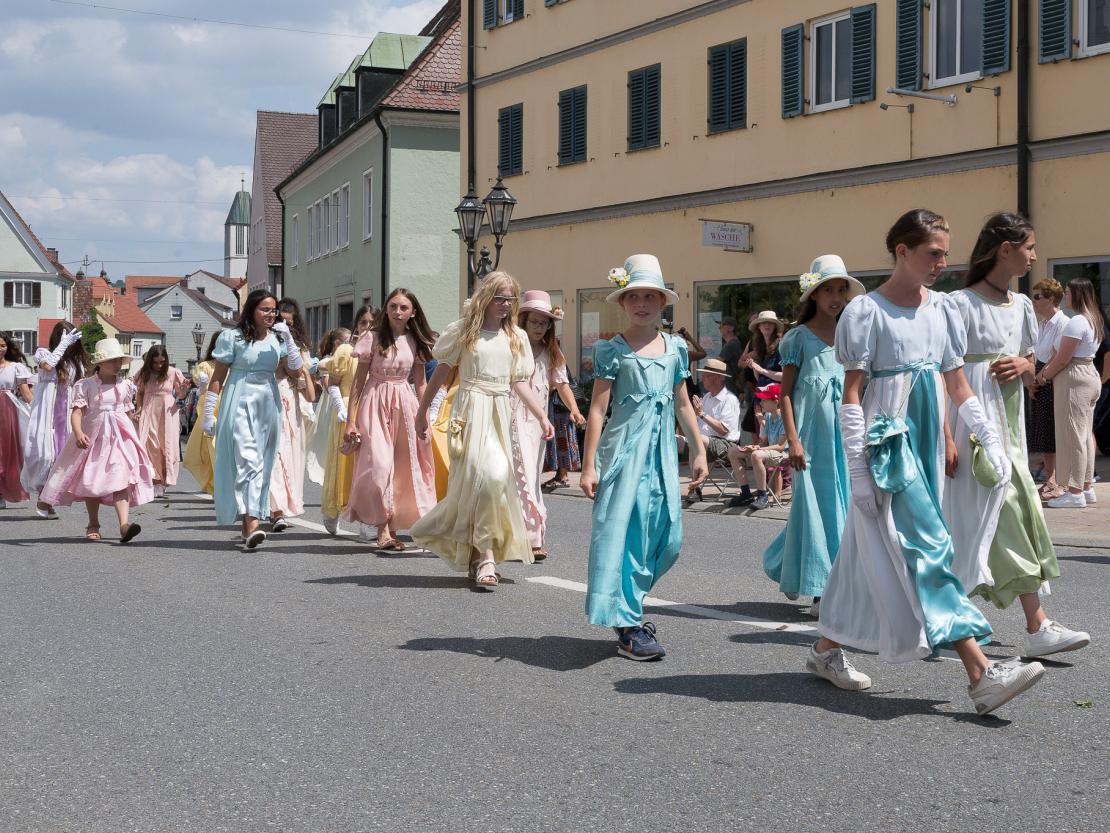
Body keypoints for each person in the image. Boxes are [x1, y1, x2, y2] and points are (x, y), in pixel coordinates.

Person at [812, 208, 1045, 717]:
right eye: (932, 253)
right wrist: (857, 469)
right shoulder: (865, 312)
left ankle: (826, 650)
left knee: (869, 549)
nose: (943, 262)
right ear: (902, 252)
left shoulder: (943, 309)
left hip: (926, 447)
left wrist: (988, 437)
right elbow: (852, 396)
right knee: (926, 547)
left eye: (944, 252)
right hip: (887, 447)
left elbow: (957, 384)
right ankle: (980, 672)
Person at [944, 213, 1089, 657]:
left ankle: (954, 612)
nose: (1034, 256)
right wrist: (947, 437)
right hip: (970, 419)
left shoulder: (1023, 305)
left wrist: (1027, 366)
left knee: (1011, 510)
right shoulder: (958, 304)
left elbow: (1029, 363)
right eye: (1028, 247)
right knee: (988, 511)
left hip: (1010, 423)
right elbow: (940, 372)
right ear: (1004, 249)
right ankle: (1034, 622)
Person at [580, 254, 707, 660]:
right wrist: (588, 466)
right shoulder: (611, 349)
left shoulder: (676, 349)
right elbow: (599, 409)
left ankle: (628, 605)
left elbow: (683, 404)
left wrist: (700, 448)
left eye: (650, 296)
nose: (642, 304)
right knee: (623, 532)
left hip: (662, 454)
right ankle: (629, 625)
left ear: (663, 303)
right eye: (633, 296)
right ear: (622, 303)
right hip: (622, 453)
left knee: (667, 535)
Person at [411, 272, 553, 590]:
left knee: (496, 479)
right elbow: (443, 372)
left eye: (510, 299)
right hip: (471, 410)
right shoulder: (465, 331)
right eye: (500, 298)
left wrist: (541, 415)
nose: (505, 305)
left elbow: (518, 382)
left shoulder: (515, 337)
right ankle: (485, 555)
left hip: (500, 411)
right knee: (483, 479)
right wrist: (423, 411)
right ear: (486, 297)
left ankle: (480, 552)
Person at [762, 256, 864, 615]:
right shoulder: (798, 339)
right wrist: (793, 440)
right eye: (827, 290)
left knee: (843, 507)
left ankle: (790, 567)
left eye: (840, 290)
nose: (835, 297)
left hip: (845, 436)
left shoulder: (851, 336)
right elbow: (785, 393)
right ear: (814, 296)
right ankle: (824, 590)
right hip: (812, 438)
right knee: (819, 508)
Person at [204, 289, 302, 549]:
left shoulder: (277, 339)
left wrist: (290, 340)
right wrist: (208, 413)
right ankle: (252, 522)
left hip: (268, 404)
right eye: (265, 309)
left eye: (273, 310)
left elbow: (295, 370)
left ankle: (249, 521)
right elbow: (217, 378)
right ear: (252, 311)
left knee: (262, 463)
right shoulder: (233, 338)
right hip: (240, 400)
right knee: (248, 461)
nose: (271, 314)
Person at [344, 288, 437, 550]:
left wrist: (425, 415)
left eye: (403, 308)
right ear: (386, 309)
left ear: (413, 312)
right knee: (380, 466)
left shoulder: (415, 341)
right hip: (375, 400)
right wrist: (351, 420)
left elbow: (421, 383)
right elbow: (358, 382)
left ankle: (391, 530)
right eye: (393, 306)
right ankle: (381, 527)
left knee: (402, 468)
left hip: (405, 403)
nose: (398, 311)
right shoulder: (372, 338)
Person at [40, 338, 152, 542]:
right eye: (113, 361)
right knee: (92, 480)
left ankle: (124, 525)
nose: (117, 365)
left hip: (119, 439)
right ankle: (93, 523)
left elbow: (126, 411)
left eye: (119, 361)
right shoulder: (87, 385)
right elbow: (77, 412)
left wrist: (133, 429)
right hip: (95, 439)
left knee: (122, 478)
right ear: (100, 363)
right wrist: (78, 432)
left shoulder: (126, 385)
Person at [511, 290, 572, 560]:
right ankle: (523, 537)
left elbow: (561, 383)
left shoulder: (551, 351)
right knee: (516, 474)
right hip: (511, 415)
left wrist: (575, 410)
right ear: (523, 321)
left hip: (538, 422)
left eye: (544, 322)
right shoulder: (512, 346)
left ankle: (531, 536)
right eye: (534, 321)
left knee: (532, 476)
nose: (539, 327)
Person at [1039, 277, 1103, 508]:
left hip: (1075, 378)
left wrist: (1043, 376)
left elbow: (1063, 357)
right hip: (1089, 375)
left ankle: (1074, 492)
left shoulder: (1077, 321)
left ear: (1077, 293)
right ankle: (1085, 487)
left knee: (1072, 436)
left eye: (1067, 291)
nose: (1065, 295)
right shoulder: (1094, 319)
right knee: (1084, 435)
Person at [22, 322, 87, 517]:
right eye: (65, 338)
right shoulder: (43, 353)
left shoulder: (76, 363)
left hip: (65, 416)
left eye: (71, 340)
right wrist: (63, 344)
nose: (69, 344)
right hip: (46, 414)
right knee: (44, 456)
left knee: (61, 458)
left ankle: (46, 500)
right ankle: (44, 497)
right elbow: (49, 365)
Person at [267, 298, 316, 531]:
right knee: (274, 453)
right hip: (271, 394)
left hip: (293, 401)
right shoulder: (267, 341)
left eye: (289, 323)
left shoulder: (299, 347)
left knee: (289, 454)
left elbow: (301, 373)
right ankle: (275, 510)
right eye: (280, 321)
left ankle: (280, 505)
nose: (284, 326)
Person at [1025, 279, 1067, 498]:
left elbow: (1056, 356)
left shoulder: (1062, 323)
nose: (1035, 302)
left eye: (1038, 297)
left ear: (1051, 298)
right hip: (1040, 377)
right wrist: (1032, 379)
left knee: (1054, 433)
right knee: (1044, 434)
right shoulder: (1042, 324)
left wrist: (1038, 379)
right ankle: (1050, 478)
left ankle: (1057, 480)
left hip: (1053, 379)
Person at [682, 357, 740, 505]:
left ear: (719, 378)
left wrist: (702, 414)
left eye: (707, 375)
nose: (703, 378)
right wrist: (693, 414)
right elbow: (698, 426)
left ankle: (696, 486)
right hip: (706, 441)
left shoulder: (729, 399)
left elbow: (723, 430)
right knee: (675, 439)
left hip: (727, 445)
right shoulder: (706, 397)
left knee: (697, 439)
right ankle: (691, 487)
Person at [135, 345, 189, 500]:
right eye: (155, 362)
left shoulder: (172, 373)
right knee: (150, 445)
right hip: (149, 409)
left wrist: (183, 390)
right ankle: (154, 480)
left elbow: (180, 395)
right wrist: (138, 409)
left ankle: (163, 482)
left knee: (167, 446)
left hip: (167, 412)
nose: (159, 365)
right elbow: (139, 392)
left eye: (161, 362)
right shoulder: (144, 374)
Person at [727, 384, 789, 510]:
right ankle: (746, 493)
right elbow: (764, 442)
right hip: (769, 451)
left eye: (765, 400)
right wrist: (753, 446)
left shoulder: (785, 418)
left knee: (757, 455)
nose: (761, 402)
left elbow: (781, 446)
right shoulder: (769, 416)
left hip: (783, 453)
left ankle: (762, 496)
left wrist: (758, 449)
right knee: (733, 451)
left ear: (776, 401)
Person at [305, 327, 350, 486]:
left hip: (343, 400)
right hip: (331, 404)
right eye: (348, 342)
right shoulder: (330, 360)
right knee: (330, 439)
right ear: (338, 343)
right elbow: (326, 384)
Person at [182, 332, 222, 495]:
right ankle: (216, 483)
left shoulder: (235, 365)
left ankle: (223, 482)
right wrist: (203, 383)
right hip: (211, 411)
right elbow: (201, 388)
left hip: (229, 409)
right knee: (211, 449)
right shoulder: (206, 366)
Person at [0, 332, 33, 508]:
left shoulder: (15, 367)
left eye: (3, 345)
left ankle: (4, 491)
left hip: (7, 411)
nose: (0, 349)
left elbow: (26, 393)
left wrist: (38, 411)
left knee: (6, 452)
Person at [739, 310, 784, 439]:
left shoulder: (781, 345)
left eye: (770, 322)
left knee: (773, 439)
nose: (767, 325)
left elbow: (785, 376)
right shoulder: (760, 346)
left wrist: (762, 370)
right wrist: (754, 367)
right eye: (763, 323)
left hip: (775, 400)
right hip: (761, 397)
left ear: (775, 326)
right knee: (761, 437)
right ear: (758, 327)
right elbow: (760, 378)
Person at [716, 316, 744, 395]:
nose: (719, 328)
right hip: (731, 385)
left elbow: (715, 363)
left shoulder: (732, 344)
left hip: (731, 386)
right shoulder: (732, 343)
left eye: (722, 326)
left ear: (731, 328)